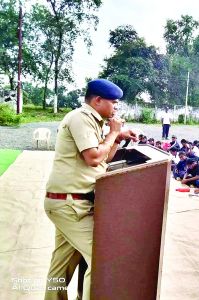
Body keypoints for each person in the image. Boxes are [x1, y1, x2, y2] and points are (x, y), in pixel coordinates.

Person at [44, 79, 137, 300]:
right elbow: (93, 157)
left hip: (71, 203)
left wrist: (116, 139)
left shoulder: (94, 121)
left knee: (61, 266)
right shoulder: (81, 118)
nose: (116, 107)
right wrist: (114, 133)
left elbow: (105, 158)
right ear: (97, 100)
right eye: (113, 103)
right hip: (70, 205)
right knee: (101, 258)